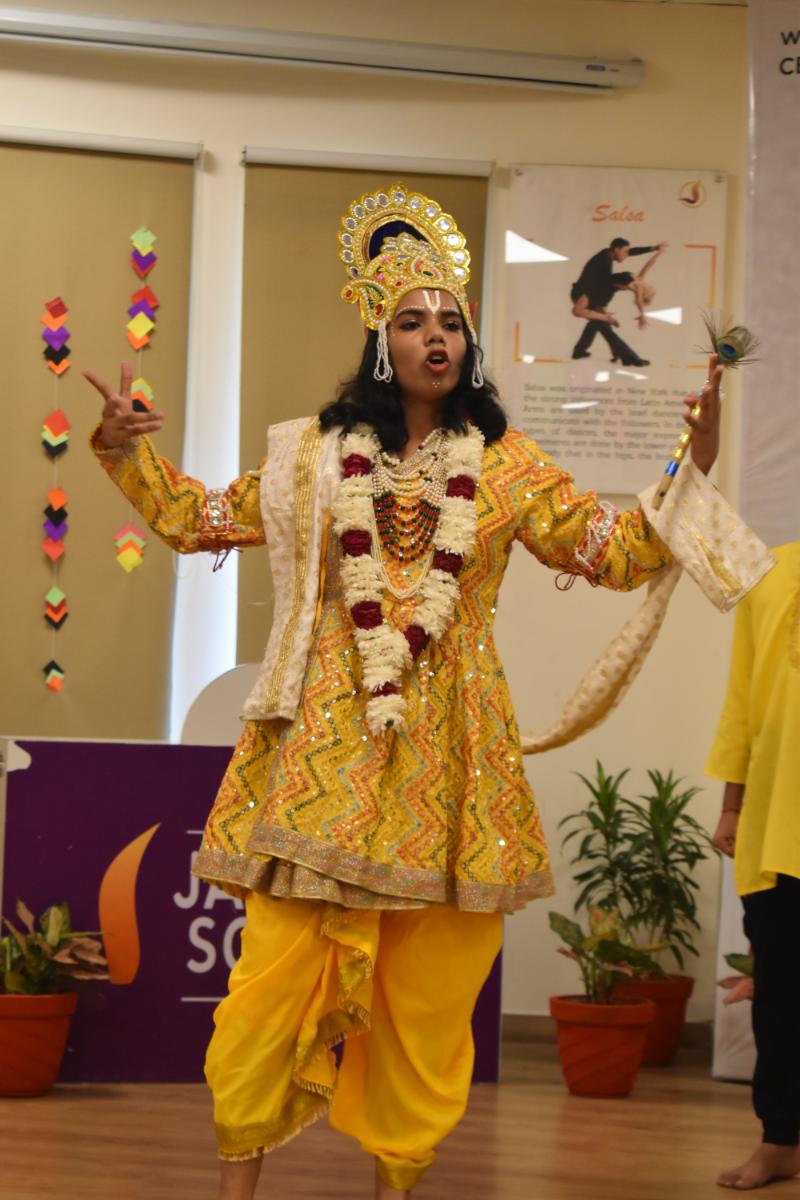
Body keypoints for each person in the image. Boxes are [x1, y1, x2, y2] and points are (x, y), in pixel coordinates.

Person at [84, 183, 720, 1200]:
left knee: (428, 997)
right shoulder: (311, 456)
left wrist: (691, 462)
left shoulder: (507, 467)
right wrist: (124, 445)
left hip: (452, 753)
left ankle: (397, 1184)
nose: (437, 337)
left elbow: (613, 552)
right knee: (269, 983)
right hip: (327, 747)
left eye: (451, 324)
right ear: (381, 342)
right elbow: (198, 520)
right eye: (415, 321)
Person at [707, 539, 800, 1191]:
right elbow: (742, 697)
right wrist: (732, 805)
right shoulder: (767, 571)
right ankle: (780, 1141)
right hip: (777, 820)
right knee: (781, 995)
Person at [570, 236, 667, 365]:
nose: (627, 254)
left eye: (651, 294)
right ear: (616, 249)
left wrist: (655, 251)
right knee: (604, 325)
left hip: (595, 292)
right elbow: (639, 297)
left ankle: (580, 351)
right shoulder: (606, 257)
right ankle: (629, 358)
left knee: (597, 323)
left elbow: (645, 266)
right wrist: (642, 314)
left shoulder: (636, 281)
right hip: (585, 292)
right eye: (625, 251)